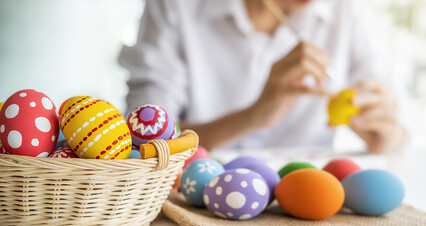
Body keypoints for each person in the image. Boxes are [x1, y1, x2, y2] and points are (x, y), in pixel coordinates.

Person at [119, 0, 406, 153]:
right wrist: (253, 116)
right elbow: (144, 144)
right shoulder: (175, 6)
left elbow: (400, 127)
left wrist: (387, 134)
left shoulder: (347, 8)